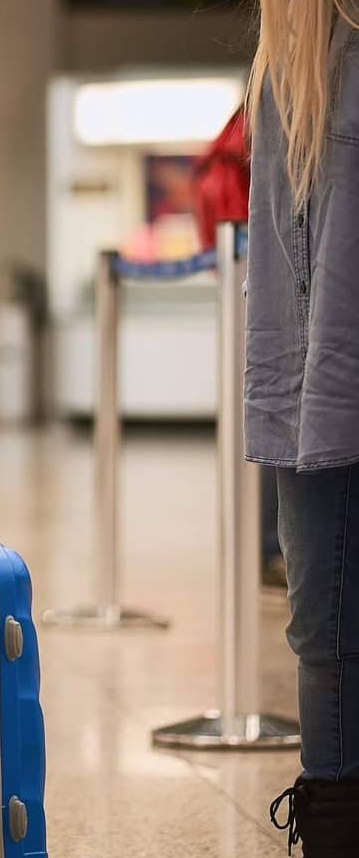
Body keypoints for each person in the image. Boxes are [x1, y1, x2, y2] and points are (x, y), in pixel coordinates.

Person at [207, 0, 359, 858]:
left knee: (332, 628)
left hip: (341, 391)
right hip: (318, 391)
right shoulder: (295, 37)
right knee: (322, 626)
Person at [191, 108, 286, 587]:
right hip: (273, 285)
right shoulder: (273, 116)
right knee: (280, 412)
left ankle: (260, 544)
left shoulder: (234, 133)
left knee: (265, 409)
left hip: (245, 288)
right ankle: (269, 545)